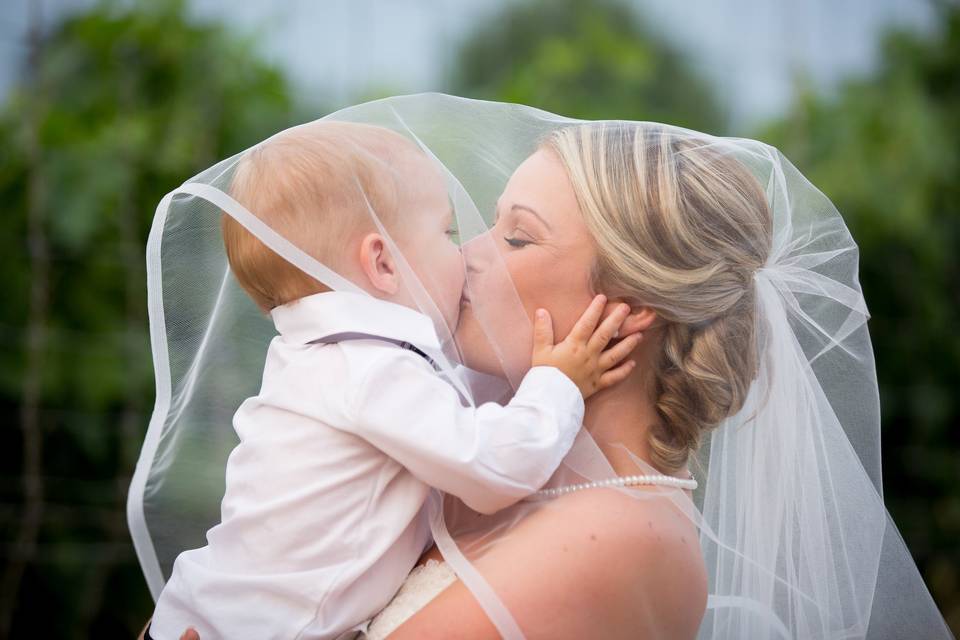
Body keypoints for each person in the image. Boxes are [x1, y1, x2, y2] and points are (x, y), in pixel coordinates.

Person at [132, 94, 954, 640]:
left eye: (515, 236)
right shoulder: (510, 469)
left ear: (629, 303)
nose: (469, 261)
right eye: (476, 229)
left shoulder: (617, 536)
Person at [145, 120, 640, 640]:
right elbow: (494, 465)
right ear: (382, 263)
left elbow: (457, 400)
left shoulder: (327, 357)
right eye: (447, 233)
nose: (467, 252)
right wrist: (557, 383)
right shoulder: (368, 370)